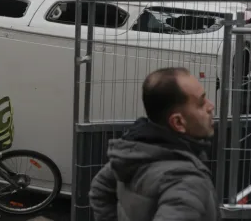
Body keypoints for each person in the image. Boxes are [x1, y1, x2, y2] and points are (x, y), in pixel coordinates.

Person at [89, 67, 218, 220]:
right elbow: (100, 189)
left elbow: (99, 189)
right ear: (178, 122)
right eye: (201, 103)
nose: (211, 106)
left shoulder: (135, 153)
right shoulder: (185, 181)